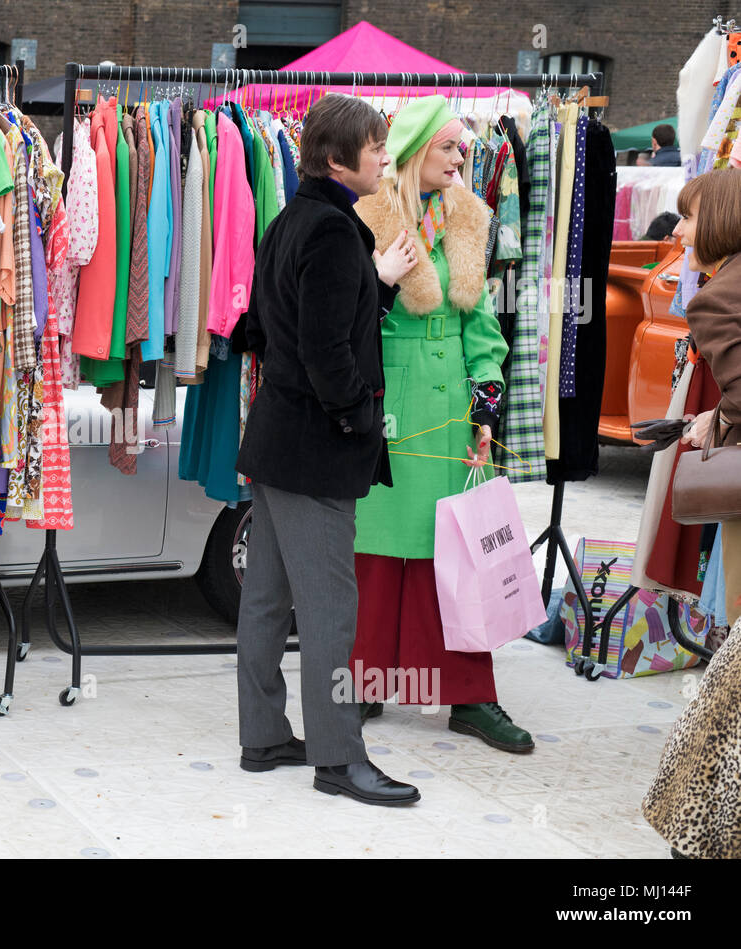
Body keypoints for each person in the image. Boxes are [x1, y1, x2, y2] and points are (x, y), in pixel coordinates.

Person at [235, 93, 422, 806]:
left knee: (266, 599)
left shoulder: (289, 220)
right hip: (314, 450)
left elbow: (258, 328)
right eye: (376, 149)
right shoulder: (337, 233)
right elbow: (326, 351)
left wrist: (378, 288)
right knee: (329, 611)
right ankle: (340, 759)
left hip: (277, 441)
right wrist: (357, 420)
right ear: (341, 159)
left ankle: (263, 736)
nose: (385, 158)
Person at [350, 95, 534, 753]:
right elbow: (342, 317)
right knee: (378, 553)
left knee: (457, 554)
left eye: (464, 146)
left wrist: (487, 397)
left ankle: (470, 695)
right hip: (391, 408)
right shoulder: (367, 218)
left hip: (452, 409)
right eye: (452, 146)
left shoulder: (468, 218)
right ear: (416, 148)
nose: (464, 157)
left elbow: (481, 321)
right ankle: (365, 682)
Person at [643, 166, 741, 857]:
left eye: (687, 217)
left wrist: (720, 422)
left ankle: (703, 830)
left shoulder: (717, 298)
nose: (677, 230)